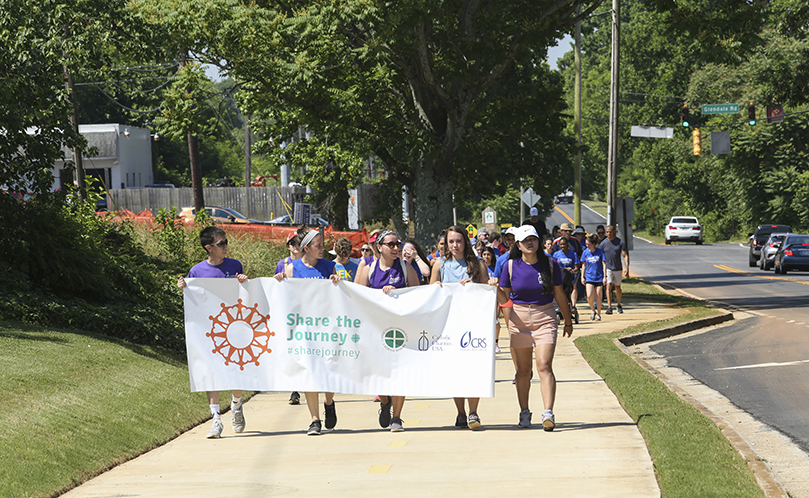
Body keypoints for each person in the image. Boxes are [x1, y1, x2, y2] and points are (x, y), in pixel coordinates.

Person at [495, 225, 573, 431]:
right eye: (525, 240)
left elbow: (559, 294)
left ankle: (548, 412)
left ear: (538, 242)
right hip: (518, 320)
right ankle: (524, 411)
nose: (530, 243)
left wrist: (568, 320)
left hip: (545, 316)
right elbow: (504, 297)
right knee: (523, 371)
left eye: (533, 239)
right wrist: (495, 288)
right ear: (518, 245)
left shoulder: (551, 264)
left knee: (544, 365)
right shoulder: (510, 266)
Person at [177, 226, 249, 439]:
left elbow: (243, 295)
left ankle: (236, 404)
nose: (226, 246)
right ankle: (216, 419)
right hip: (210, 331)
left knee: (236, 370)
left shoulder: (235, 265)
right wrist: (184, 287)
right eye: (221, 244)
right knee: (212, 373)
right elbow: (194, 299)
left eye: (226, 242)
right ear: (209, 247)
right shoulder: (197, 271)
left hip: (234, 327)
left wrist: (244, 283)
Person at [275, 227, 342, 435]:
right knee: (309, 371)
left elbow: (340, 294)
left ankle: (329, 402)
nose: (323, 249)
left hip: (327, 326)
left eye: (323, 245)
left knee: (329, 368)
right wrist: (279, 283)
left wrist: (338, 282)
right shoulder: (292, 268)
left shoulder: (330, 266)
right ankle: (315, 419)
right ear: (306, 248)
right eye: (318, 246)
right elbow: (284, 297)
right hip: (304, 328)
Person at [357, 229, 419, 432]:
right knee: (375, 374)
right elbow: (357, 296)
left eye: (397, 244)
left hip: (400, 331)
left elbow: (419, 295)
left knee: (399, 373)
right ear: (379, 247)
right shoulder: (369, 268)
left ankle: (397, 418)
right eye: (390, 244)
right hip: (375, 330)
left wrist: (399, 294)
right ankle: (385, 402)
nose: (395, 248)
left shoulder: (405, 267)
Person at [430, 226, 489, 430]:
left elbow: (487, 291)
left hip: (472, 324)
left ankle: (473, 412)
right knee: (455, 370)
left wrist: (474, 286)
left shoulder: (477, 264)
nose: (455, 245)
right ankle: (461, 412)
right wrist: (436, 288)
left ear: (466, 242)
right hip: (449, 324)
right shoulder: (440, 264)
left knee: (473, 369)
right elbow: (429, 292)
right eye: (451, 241)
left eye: (459, 241)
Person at [275, 232, 305, 406]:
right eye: (292, 243)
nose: (296, 246)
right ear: (287, 246)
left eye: (298, 242)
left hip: (306, 311)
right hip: (289, 311)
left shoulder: (308, 263)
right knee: (293, 349)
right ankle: (294, 389)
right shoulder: (282, 264)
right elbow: (275, 287)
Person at [599, 225, 630, 315]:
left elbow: (625, 255)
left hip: (618, 268)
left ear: (614, 232)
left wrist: (626, 267)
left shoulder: (619, 242)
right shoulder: (603, 243)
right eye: (607, 232)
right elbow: (600, 256)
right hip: (608, 268)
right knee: (608, 286)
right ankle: (609, 306)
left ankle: (619, 305)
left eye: (610, 232)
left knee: (617, 287)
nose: (608, 233)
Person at [580, 234, 607, 321]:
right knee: (589, 295)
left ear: (593, 244)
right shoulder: (585, 252)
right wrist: (582, 276)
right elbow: (583, 265)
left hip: (599, 277)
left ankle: (599, 313)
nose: (587, 246)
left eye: (588, 244)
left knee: (599, 295)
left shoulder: (600, 252)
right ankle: (592, 310)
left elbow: (604, 264)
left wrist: (605, 276)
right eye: (586, 244)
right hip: (589, 277)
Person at [552, 237, 580, 307]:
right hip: (559, 276)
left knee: (573, 287)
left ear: (567, 244)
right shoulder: (556, 254)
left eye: (564, 244)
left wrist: (573, 270)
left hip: (569, 276)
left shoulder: (573, 254)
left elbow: (576, 267)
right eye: (561, 244)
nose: (562, 246)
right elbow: (553, 266)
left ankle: (573, 305)